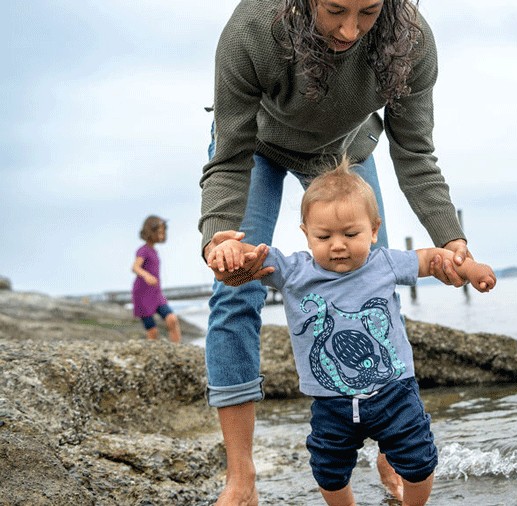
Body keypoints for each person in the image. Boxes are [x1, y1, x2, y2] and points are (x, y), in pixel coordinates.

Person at [199, 1, 478, 504]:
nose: (349, 30)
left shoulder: (411, 38)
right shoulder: (252, 30)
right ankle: (241, 478)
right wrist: (218, 234)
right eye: (334, 10)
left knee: (375, 277)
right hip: (254, 147)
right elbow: (229, 155)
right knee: (235, 291)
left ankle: (390, 445)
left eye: (368, 12)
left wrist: (452, 241)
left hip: (342, 150)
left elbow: (415, 153)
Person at [208, 160, 495, 505]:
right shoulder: (293, 271)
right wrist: (228, 249)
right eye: (324, 236)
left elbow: (434, 260)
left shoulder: (385, 262)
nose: (338, 245)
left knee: (419, 462)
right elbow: (253, 255)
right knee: (328, 471)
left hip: (394, 392)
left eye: (351, 234)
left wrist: (473, 268)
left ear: (374, 230)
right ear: (306, 234)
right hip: (331, 403)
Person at [131, 215, 182, 343]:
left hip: (156, 293)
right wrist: (147, 275)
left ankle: (178, 349)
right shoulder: (143, 250)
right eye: (158, 232)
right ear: (150, 232)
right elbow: (135, 267)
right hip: (142, 294)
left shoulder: (154, 251)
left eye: (162, 232)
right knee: (153, 332)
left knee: (172, 319)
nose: (161, 235)